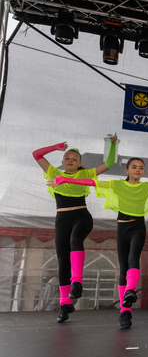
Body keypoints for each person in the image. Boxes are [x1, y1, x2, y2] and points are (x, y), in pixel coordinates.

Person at [50, 156, 148, 328]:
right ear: (126, 170)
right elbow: (92, 183)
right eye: (134, 167)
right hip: (122, 227)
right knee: (123, 268)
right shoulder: (117, 184)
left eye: (141, 167)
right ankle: (125, 312)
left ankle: (130, 290)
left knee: (133, 259)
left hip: (138, 227)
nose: (137, 170)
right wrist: (66, 179)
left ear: (144, 171)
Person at [34, 135, 118, 323]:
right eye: (67, 158)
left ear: (80, 163)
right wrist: (55, 146)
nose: (70, 160)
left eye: (74, 159)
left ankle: (77, 282)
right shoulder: (54, 173)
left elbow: (109, 163)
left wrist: (113, 145)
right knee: (63, 260)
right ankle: (65, 304)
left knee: (75, 240)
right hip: (62, 219)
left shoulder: (85, 174)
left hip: (81, 216)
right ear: (63, 161)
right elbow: (36, 154)